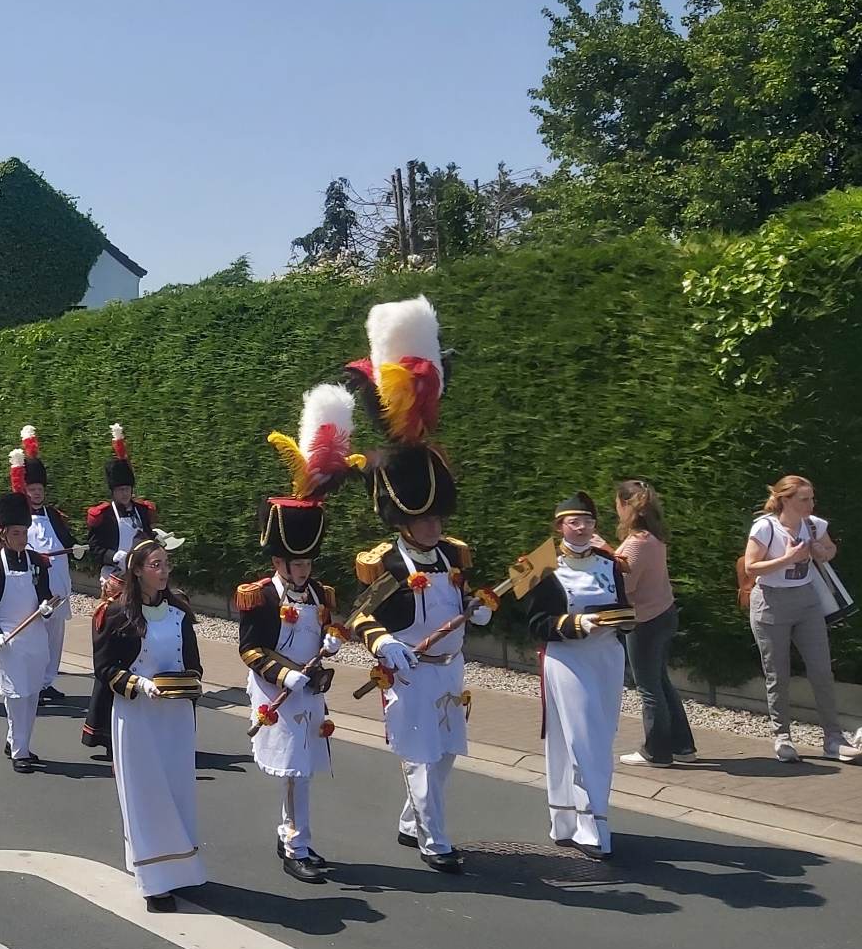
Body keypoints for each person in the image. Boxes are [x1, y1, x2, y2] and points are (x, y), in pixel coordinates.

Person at [344, 296, 492, 876]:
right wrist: (385, 644)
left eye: (438, 519)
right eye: (424, 520)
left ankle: (412, 820)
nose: (435, 527)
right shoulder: (384, 561)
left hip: (452, 669)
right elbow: (361, 616)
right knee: (421, 758)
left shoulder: (455, 553)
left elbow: (470, 598)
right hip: (409, 671)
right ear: (404, 521)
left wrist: (480, 610)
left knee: (447, 754)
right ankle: (436, 839)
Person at [240, 384, 359, 884]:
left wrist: (333, 639)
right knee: (293, 768)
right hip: (277, 690)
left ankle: (296, 835)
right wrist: (286, 677)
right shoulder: (260, 595)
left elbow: (328, 628)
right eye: (296, 562)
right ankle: (296, 843)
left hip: (311, 691)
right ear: (278, 561)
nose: (304, 570)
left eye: (309, 561)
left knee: (307, 766)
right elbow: (250, 649)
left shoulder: (321, 594)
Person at [93, 538, 206, 911]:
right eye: (155, 565)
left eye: (166, 564)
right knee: (146, 795)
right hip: (137, 714)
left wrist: (189, 683)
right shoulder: (115, 614)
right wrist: (139, 684)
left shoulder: (179, 611)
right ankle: (154, 881)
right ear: (137, 570)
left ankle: (180, 870)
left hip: (175, 717)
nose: (163, 571)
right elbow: (105, 669)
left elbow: (193, 662)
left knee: (176, 790)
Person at [523, 491, 632, 857]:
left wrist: (625, 621)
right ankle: (592, 825)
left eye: (588, 521)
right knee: (584, 739)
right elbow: (536, 624)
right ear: (560, 527)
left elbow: (622, 607)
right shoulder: (542, 565)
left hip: (607, 657)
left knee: (601, 736)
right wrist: (575, 623)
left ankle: (568, 819)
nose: (582, 528)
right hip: (568, 657)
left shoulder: (610, 564)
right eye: (575, 522)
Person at [743, 475, 855, 763]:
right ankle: (782, 736)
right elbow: (751, 566)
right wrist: (787, 559)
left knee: (821, 670)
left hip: (806, 601)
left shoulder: (814, 525)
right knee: (777, 673)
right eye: (804, 499)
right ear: (785, 500)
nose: (811, 504)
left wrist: (822, 551)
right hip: (771, 603)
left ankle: (833, 738)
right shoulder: (766, 527)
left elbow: (830, 551)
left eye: (812, 498)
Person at [82, 424, 157, 751]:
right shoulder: (101, 515)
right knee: (117, 649)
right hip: (113, 581)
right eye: (120, 490)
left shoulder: (143, 511)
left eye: (128, 489)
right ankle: (101, 729)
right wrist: (116, 555)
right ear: (113, 491)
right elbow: (95, 548)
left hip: (140, 580)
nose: (125, 495)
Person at [615, 479, 698, 768]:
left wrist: (607, 561)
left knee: (649, 687)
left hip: (646, 621)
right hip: (663, 614)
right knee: (661, 682)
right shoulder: (653, 537)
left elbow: (623, 586)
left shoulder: (635, 544)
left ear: (625, 505)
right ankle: (683, 746)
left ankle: (657, 751)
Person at [0, 489, 56, 771]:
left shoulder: (39, 563)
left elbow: (46, 594)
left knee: (32, 694)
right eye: (17, 533)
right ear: (3, 535)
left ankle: (16, 739)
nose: (22, 538)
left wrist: (47, 607)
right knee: (16, 696)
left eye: (25, 532)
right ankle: (21, 751)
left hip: (35, 638)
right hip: (8, 639)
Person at [10, 430, 78, 700]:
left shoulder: (54, 514)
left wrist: (78, 548)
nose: (37, 494)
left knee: (55, 635)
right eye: (32, 490)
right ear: (24, 491)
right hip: (34, 582)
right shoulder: (19, 516)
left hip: (59, 583)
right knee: (36, 634)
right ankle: (33, 679)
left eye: (40, 490)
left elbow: (67, 540)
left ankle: (48, 680)